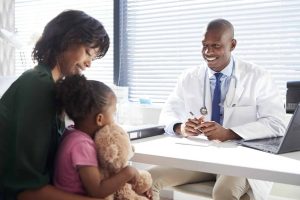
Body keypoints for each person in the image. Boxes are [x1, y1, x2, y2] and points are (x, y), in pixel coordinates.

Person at [149, 19, 286, 200]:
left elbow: (276, 123)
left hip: (240, 159)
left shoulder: (257, 76)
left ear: (233, 44)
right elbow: (168, 113)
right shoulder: (189, 77)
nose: (208, 52)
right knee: (147, 180)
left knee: (224, 192)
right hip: (201, 157)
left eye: (216, 46)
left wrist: (230, 133)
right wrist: (180, 127)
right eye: (205, 45)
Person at [0, 10, 110, 200]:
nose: (89, 64)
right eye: (88, 53)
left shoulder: (50, 85)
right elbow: (24, 191)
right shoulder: (36, 86)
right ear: (67, 40)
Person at [53, 74, 151, 199]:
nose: (114, 120)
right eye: (113, 113)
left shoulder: (71, 134)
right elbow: (97, 190)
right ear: (100, 119)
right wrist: (128, 172)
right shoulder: (81, 145)